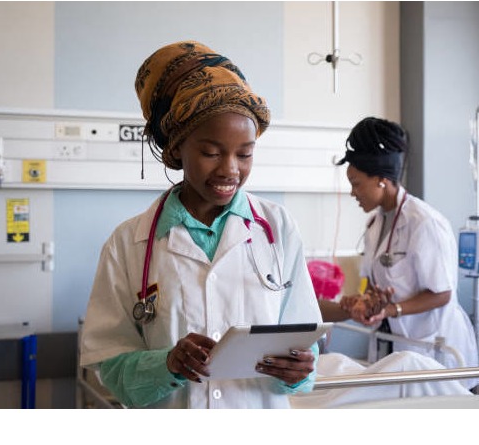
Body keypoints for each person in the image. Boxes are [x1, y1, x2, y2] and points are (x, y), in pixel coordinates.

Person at [79, 40, 323, 408]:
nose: (230, 169)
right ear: (177, 148)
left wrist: (300, 370)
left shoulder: (278, 228)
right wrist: (166, 364)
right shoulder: (127, 244)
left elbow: (305, 340)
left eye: (245, 154)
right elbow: (112, 369)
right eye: (211, 152)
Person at [333, 116, 479, 389]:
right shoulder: (375, 224)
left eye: (356, 183)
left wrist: (391, 309)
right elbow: (375, 284)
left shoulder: (424, 223)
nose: (353, 193)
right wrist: (365, 301)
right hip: (397, 345)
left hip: (435, 347)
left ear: (380, 179)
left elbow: (442, 293)